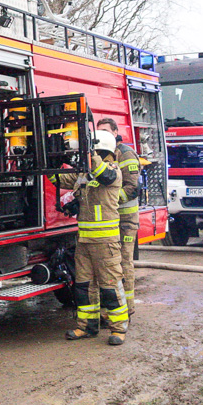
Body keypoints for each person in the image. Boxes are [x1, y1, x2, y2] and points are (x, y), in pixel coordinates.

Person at [48, 130, 129, 345]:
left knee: (110, 286)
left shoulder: (112, 171)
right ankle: (86, 327)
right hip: (84, 242)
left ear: (102, 152)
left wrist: (89, 153)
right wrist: (49, 160)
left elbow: (103, 173)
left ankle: (118, 328)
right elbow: (58, 179)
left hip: (106, 244)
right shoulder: (83, 175)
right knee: (83, 287)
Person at [97, 117, 141, 318]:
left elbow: (132, 188)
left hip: (126, 220)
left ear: (115, 132)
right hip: (110, 220)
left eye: (106, 131)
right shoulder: (103, 154)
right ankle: (113, 308)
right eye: (99, 131)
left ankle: (128, 308)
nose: (102, 135)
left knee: (124, 263)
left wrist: (110, 202)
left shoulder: (126, 154)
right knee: (109, 266)